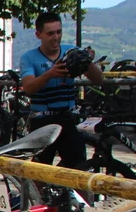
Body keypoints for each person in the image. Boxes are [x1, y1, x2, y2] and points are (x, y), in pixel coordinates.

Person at [20, 12, 103, 168]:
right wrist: (50, 74)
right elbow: (29, 88)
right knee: (40, 171)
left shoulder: (71, 51)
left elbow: (98, 80)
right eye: (50, 33)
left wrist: (87, 61)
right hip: (42, 121)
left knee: (77, 169)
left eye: (59, 32)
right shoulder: (29, 57)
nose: (56, 37)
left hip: (68, 118)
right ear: (38, 35)